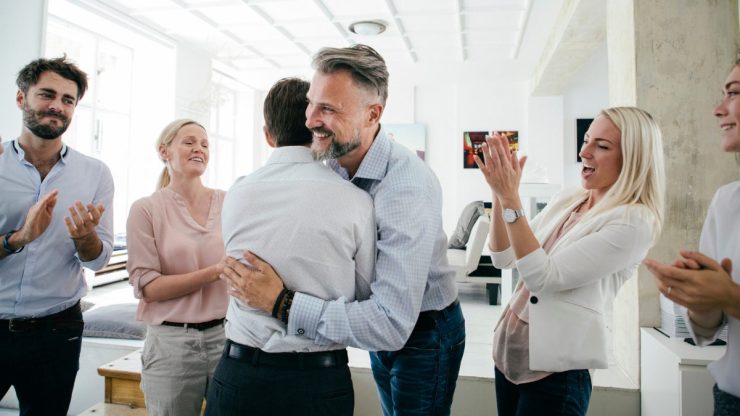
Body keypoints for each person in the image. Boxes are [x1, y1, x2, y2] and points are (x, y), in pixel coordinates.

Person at [222, 45, 466, 416]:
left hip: (424, 332)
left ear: (373, 114)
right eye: (311, 104)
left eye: (328, 109)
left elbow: (389, 323)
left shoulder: (407, 188)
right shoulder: (332, 161)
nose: (310, 121)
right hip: (379, 324)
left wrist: (281, 302)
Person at [477, 107, 665, 416]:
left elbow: (544, 277)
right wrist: (498, 194)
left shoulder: (634, 221)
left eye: (601, 146)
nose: (584, 151)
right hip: (509, 359)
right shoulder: (571, 197)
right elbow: (502, 256)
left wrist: (511, 197)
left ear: (633, 158)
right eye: (587, 139)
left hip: (556, 375)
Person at [204, 77, 376, 416]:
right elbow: (364, 297)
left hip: (240, 375)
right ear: (319, 128)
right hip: (318, 381)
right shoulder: (356, 201)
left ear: (268, 134)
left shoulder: (237, 193)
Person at [0, 56, 114, 415]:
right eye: (47, 95)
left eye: (68, 100)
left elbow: (98, 259)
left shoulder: (95, 173)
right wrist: (18, 238)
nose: (57, 106)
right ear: (21, 98)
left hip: (57, 328)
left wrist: (85, 239)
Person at [644, 61, 740, 416]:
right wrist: (701, 303)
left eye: (734, 93)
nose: (719, 109)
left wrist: (731, 296)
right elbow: (707, 331)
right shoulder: (727, 202)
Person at [126, 119, 228, 415]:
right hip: (171, 346)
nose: (199, 149)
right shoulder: (145, 209)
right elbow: (149, 288)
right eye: (189, 142)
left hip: (226, 339)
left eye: (205, 144)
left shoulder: (228, 201)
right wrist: (214, 271)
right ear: (164, 151)